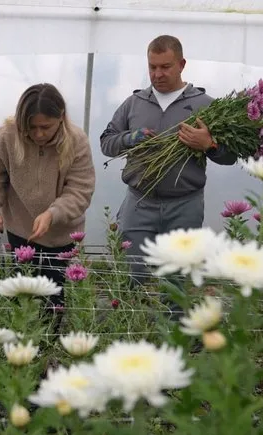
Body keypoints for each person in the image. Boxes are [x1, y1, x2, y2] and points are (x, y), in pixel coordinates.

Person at [100, 35, 238, 317]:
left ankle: (175, 338)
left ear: (181, 64)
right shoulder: (134, 103)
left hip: (184, 205)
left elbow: (230, 156)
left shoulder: (205, 106)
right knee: (130, 273)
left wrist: (209, 144)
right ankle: (118, 333)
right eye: (152, 67)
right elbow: (106, 142)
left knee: (175, 281)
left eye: (165, 67)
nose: (157, 74)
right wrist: (131, 137)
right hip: (140, 202)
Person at [0, 83, 96, 315]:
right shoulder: (5, 137)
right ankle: (22, 345)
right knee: (21, 296)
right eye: (31, 127)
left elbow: (80, 191)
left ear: (61, 117)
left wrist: (52, 214)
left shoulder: (76, 141)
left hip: (61, 235)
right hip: (20, 229)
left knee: (53, 298)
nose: (39, 133)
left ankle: (47, 344)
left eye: (46, 127)